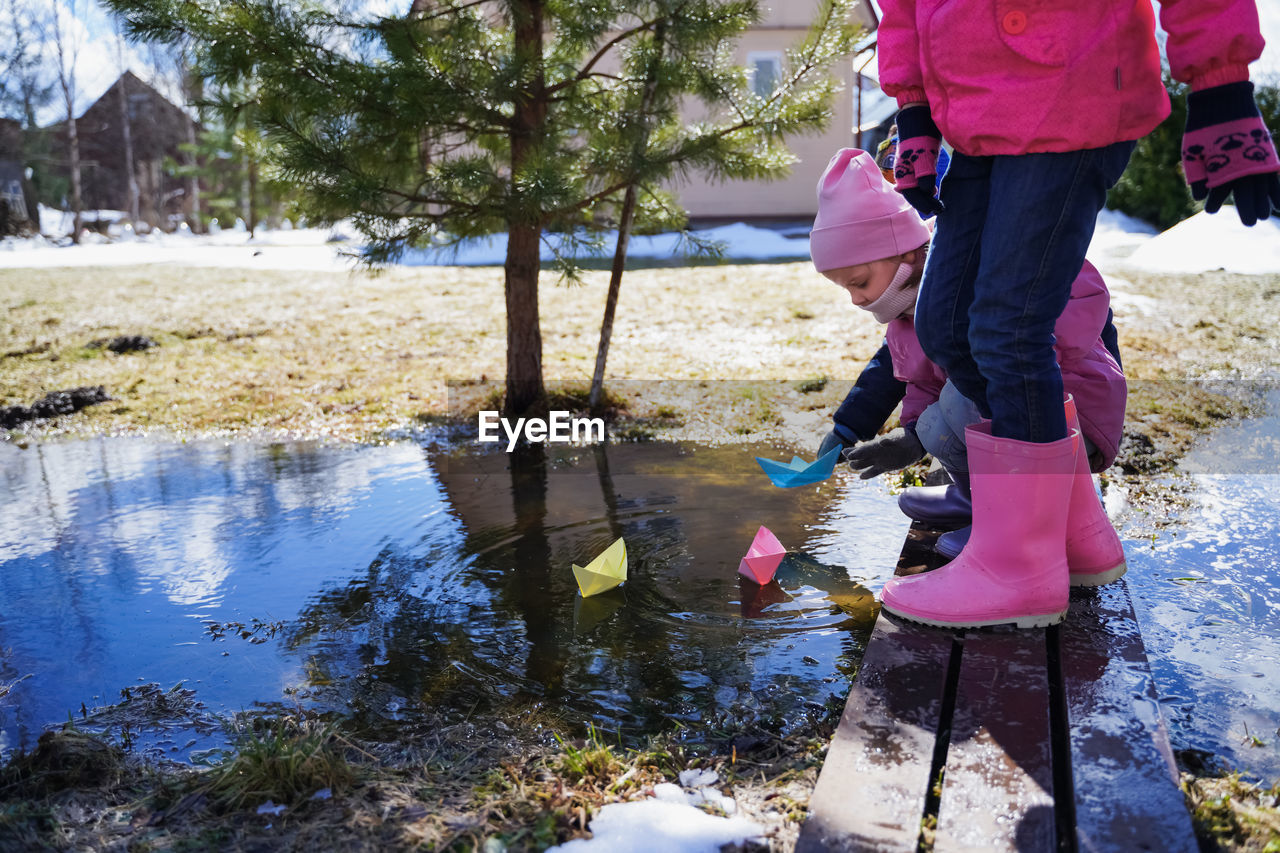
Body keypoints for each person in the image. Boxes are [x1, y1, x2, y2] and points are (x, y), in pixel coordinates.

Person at [872, 0, 1280, 628]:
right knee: (947, 326)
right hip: (972, 110)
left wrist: (1220, 82)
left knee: (1007, 330)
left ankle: (1022, 572)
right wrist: (915, 108)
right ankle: (1071, 525)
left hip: (1070, 86)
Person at [810, 148, 1127, 580]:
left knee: (963, 396)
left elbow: (1078, 298)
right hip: (1007, 420)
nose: (857, 299)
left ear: (908, 255)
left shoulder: (987, 265)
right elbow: (917, 382)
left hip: (1067, 414)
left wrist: (1018, 346)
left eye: (860, 282)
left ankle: (1012, 524)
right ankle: (979, 498)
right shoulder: (907, 318)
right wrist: (906, 434)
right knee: (944, 411)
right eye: (846, 289)